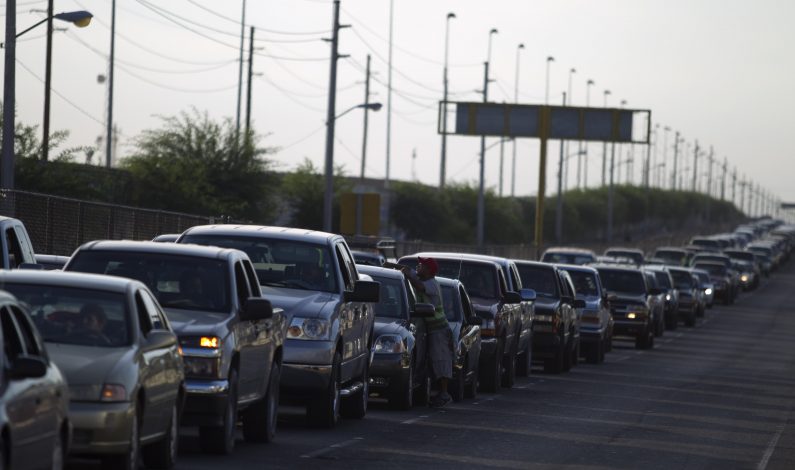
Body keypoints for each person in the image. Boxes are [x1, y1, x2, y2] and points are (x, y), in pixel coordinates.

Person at [402, 257, 454, 408]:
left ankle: (444, 394)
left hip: (438, 329)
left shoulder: (431, 284)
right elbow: (409, 272)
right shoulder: (422, 278)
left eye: (422, 265)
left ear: (429, 270)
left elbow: (419, 287)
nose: (418, 266)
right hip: (429, 329)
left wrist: (409, 275)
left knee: (441, 360)